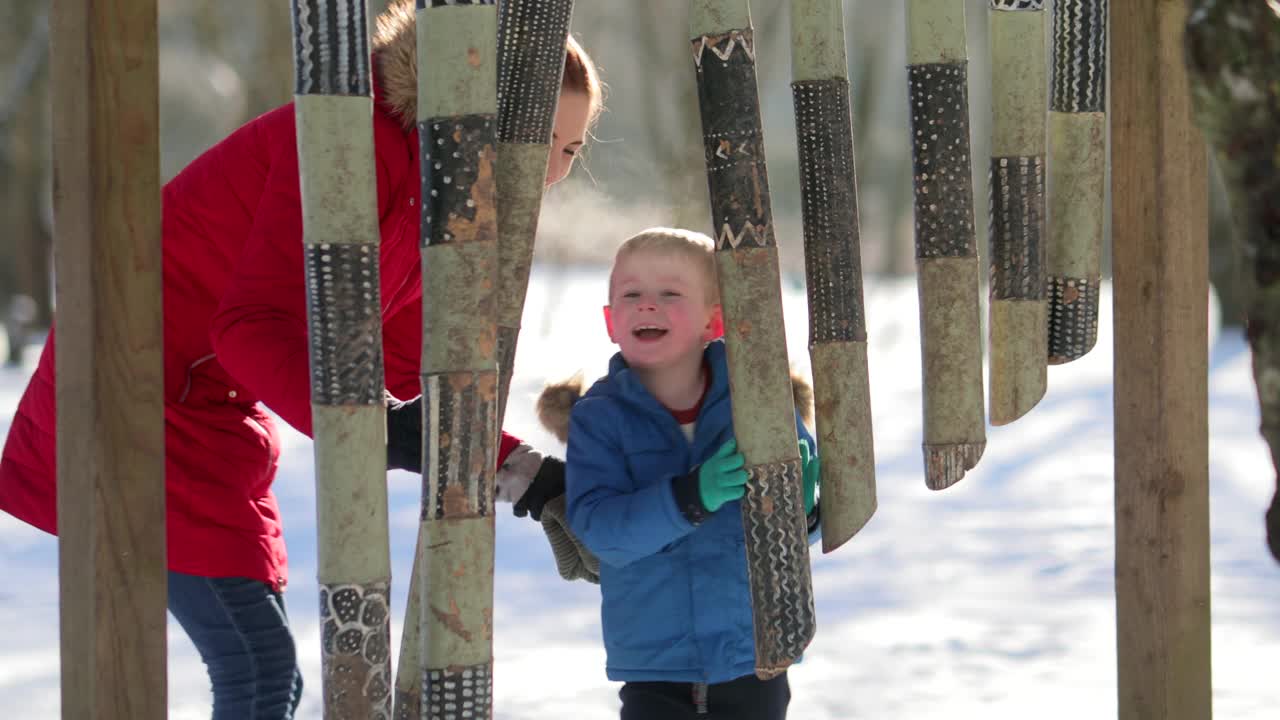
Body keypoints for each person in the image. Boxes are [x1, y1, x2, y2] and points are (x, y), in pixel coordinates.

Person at [0, 1, 601, 717]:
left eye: (568, 151)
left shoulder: (437, 188)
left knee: (262, 673)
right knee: (256, 669)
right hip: (132, 401)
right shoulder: (353, 142)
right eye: (534, 141)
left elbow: (405, 379)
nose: (548, 174)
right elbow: (251, 330)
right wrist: (376, 428)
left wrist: (528, 474)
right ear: (472, 106)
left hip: (213, 415)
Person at [561, 228, 820, 720]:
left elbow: (804, 518)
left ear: (714, 320)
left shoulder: (758, 400)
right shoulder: (599, 417)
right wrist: (688, 498)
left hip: (756, 648)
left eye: (670, 294)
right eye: (631, 294)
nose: (647, 306)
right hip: (656, 660)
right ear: (609, 320)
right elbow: (600, 531)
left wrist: (804, 511)